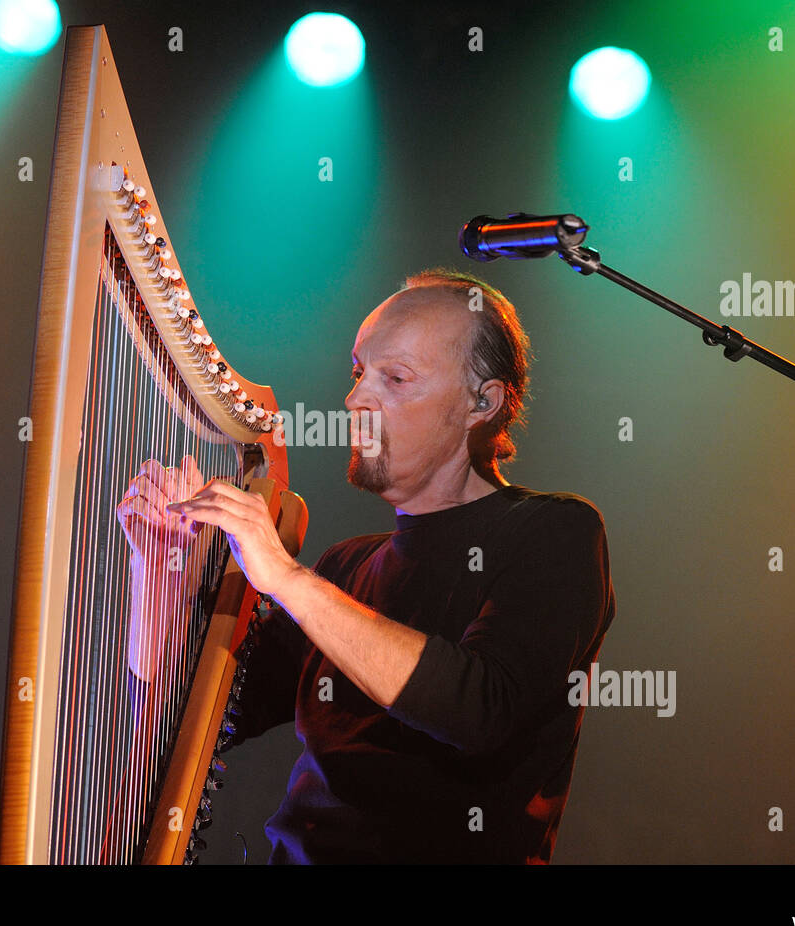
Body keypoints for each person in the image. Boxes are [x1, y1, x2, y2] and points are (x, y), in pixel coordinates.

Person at [117, 267, 616, 864]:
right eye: (359, 372)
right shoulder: (346, 567)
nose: (355, 399)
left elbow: (479, 711)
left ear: (482, 403)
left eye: (396, 378)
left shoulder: (556, 531)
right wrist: (159, 576)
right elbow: (183, 728)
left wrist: (285, 578)